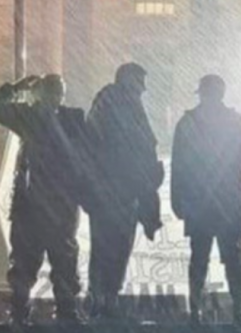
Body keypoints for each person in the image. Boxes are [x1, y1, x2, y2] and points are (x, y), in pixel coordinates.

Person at [0, 74, 86, 324]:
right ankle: (62, 313)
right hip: (56, 206)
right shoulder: (69, 119)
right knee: (59, 262)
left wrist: (16, 89)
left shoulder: (31, 117)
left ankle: (24, 314)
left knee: (30, 264)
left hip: (35, 206)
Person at [171, 74, 241, 325]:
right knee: (233, 260)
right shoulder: (236, 122)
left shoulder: (187, 124)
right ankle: (237, 311)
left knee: (199, 259)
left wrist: (177, 199)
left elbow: (178, 165)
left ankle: (195, 312)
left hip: (199, 203)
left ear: (201, 93)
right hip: (229, 202)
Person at [85, 63, 163, 319]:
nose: (143, 89)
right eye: (140, 83)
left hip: (121, 192)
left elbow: (143, 146)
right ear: (128, 81)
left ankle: (106, 297)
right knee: (109, 247)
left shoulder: (118, 104)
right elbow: (134, 145)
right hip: (113, 192)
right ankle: (101, 297)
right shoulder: (113, 104)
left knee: (114, 247)